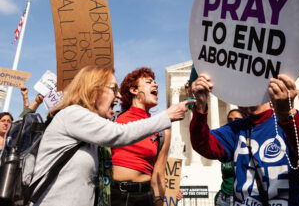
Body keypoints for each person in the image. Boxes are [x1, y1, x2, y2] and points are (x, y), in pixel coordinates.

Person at [29, 65, 193, 206]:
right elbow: (119, 134)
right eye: (114, 89)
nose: (119, 95)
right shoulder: (74, 115)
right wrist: (167, 116)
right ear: (94, 89)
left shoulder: (92, 129)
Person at [189, 73, 299, 206]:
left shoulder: (298, 119)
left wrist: (286, 115)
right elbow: (203, 144)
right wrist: (200, 108)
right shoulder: (236, 129)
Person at [111, 67, 170, 206]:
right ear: (134, 90)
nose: (156, 85)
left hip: (143, 197)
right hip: (112, 195)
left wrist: (159, 202)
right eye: (149, 82)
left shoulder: (162, 130)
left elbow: (159, 175)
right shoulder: (112, 120)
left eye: (155, 82)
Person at [214, 109, 247, 206]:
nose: (233, 122)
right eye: (230, 120)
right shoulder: (226, 144)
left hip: (242, 199)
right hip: (223, 199)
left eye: (237, 119)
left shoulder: (249, 144)